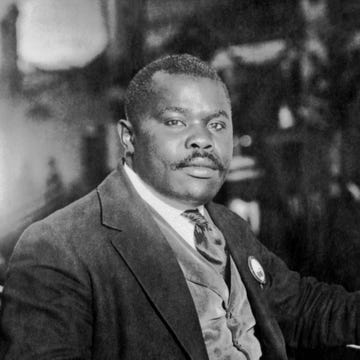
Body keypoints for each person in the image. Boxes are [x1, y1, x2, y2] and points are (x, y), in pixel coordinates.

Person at [0, 54, 359, 360]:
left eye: (217, 124)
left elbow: (304, 307)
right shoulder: (59, 247)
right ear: (129, 138)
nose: (203, 139)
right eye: (176, 122)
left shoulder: (228, 227)